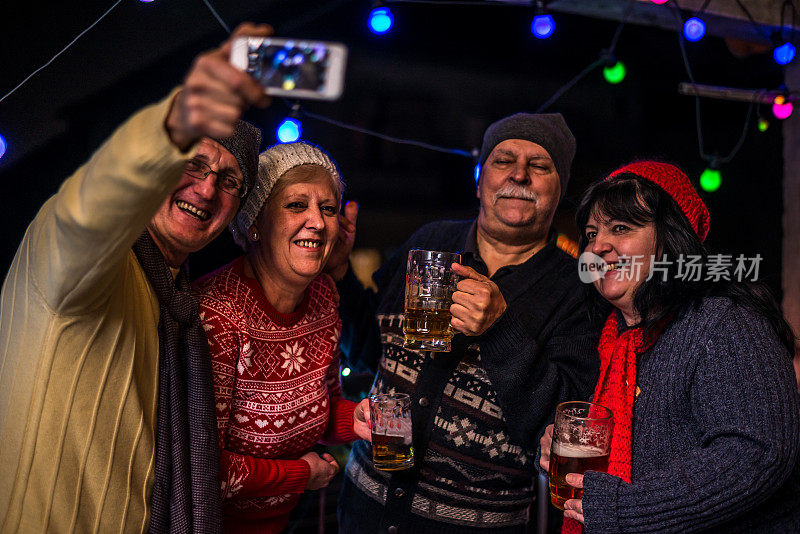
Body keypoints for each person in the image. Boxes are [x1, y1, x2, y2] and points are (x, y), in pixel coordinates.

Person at [0, 23, 272, 533]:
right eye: (193, 162)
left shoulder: (174, 299)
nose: (207, 189)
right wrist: (175, 123)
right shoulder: (82, 259)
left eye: (230, 180)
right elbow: (94, 205)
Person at [329, 113, 601, 533]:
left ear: (559, 189)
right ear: (479, 182)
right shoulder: (431, 242)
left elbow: (560, 425)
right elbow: (369, 347)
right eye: (503, 160)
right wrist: (341, 274)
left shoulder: (577, 289)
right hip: (364, 512)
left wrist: (500, 327)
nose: (519, 175)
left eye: (540, 166)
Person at [539, 161, 800, 533]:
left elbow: (757, 453)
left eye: (621, 228)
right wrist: (552, 447)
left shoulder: (722, 322)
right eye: (591, 233)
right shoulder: (614, 340)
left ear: (670, 238)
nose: (598, 246)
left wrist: (625, 507)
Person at [194, 142, 371, 533]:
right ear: (255, 221)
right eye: (296, 206)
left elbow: (319, 411)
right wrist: (299, 476)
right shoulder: (215, 315)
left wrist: (357, 420)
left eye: (327, 209)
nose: (319, 222)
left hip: (282, 524)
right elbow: (200, 469)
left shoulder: (324, 297)